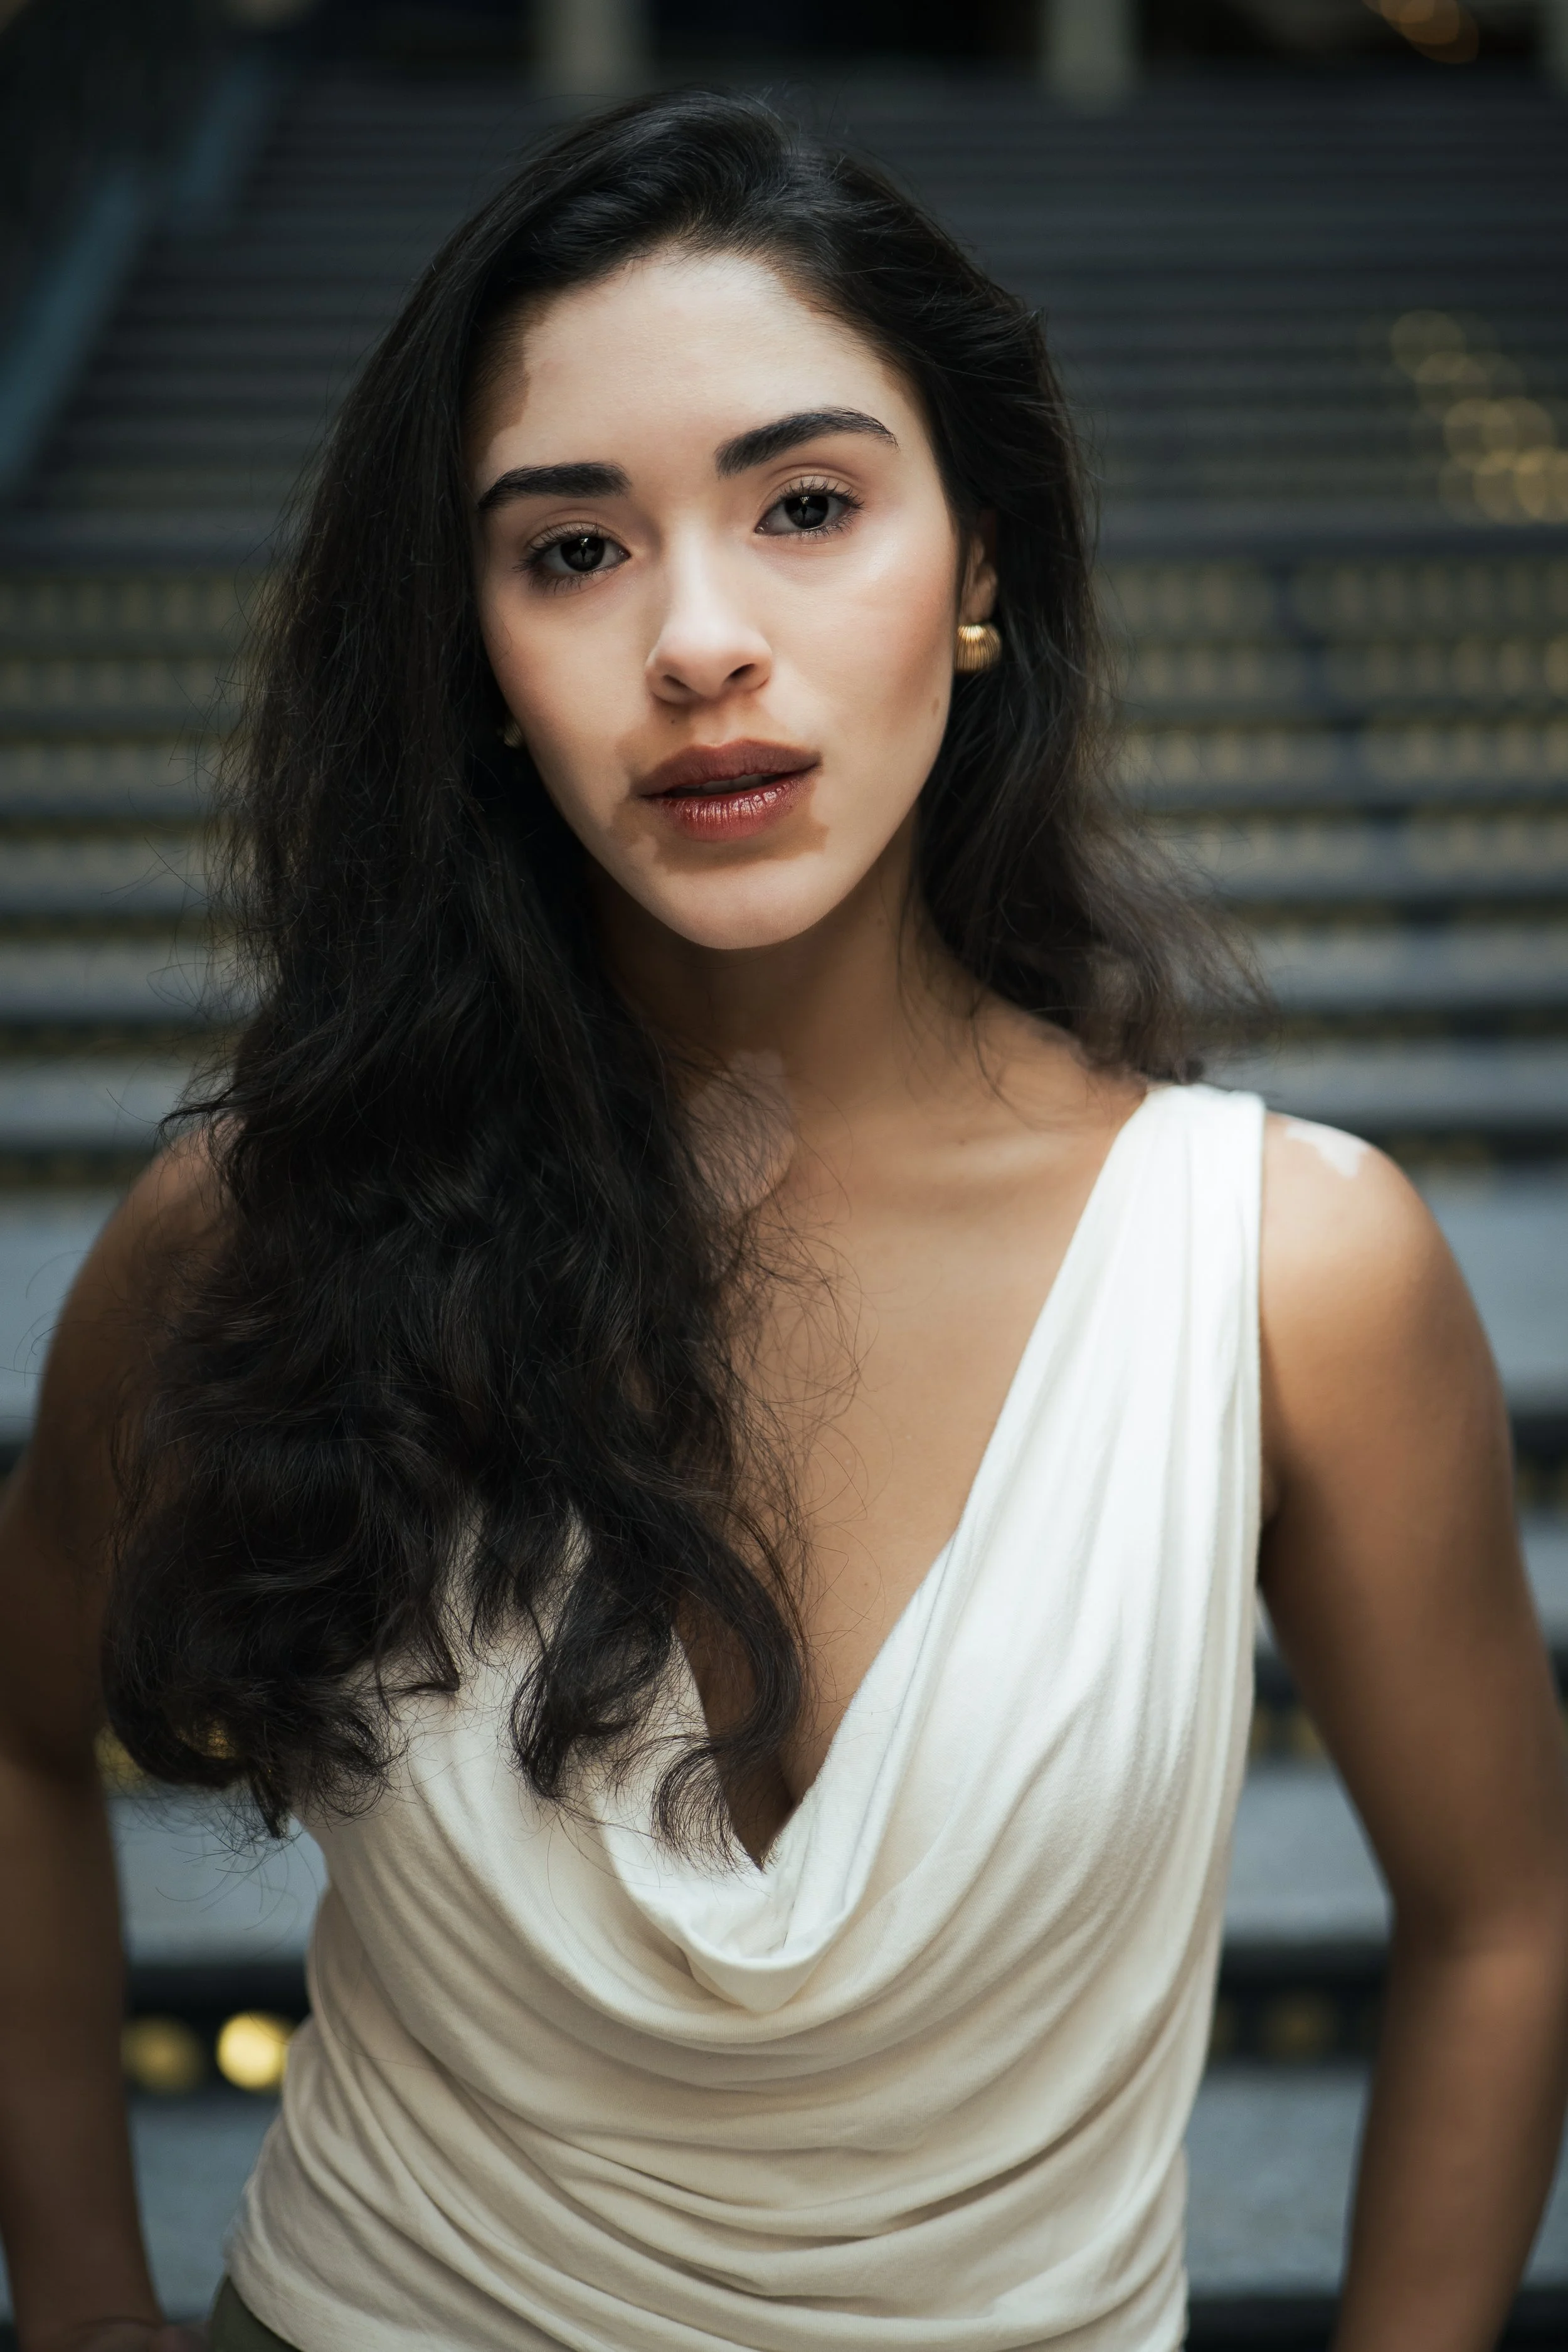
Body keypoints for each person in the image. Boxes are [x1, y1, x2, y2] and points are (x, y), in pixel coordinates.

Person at [1, 88, 1565, 2352]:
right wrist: (77, 2304)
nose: (699, 641)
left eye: (807, 506)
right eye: (571, 548)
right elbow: (17, 1729)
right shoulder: (263, 1226)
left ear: (983, 564)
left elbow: (1505, 1911)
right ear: (473, 655)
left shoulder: (1281, 1269)